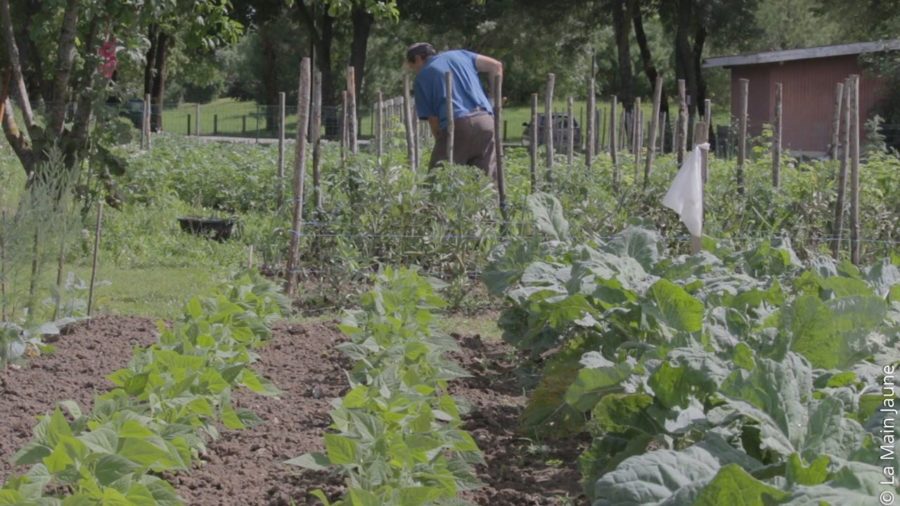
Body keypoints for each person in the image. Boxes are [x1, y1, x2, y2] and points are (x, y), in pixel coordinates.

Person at [406, 42, 503, 180]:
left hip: (457, 125)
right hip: (486, 120)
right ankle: (495, 202)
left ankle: (438, 202)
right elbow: (496, 66)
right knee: (485, 182)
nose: (414, 70)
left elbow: (433, 120)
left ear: (417, 59)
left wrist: (441, 140)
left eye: (412, 66)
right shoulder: (460, 55)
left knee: (439, 177)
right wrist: (493, 102)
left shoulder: (422, 77)